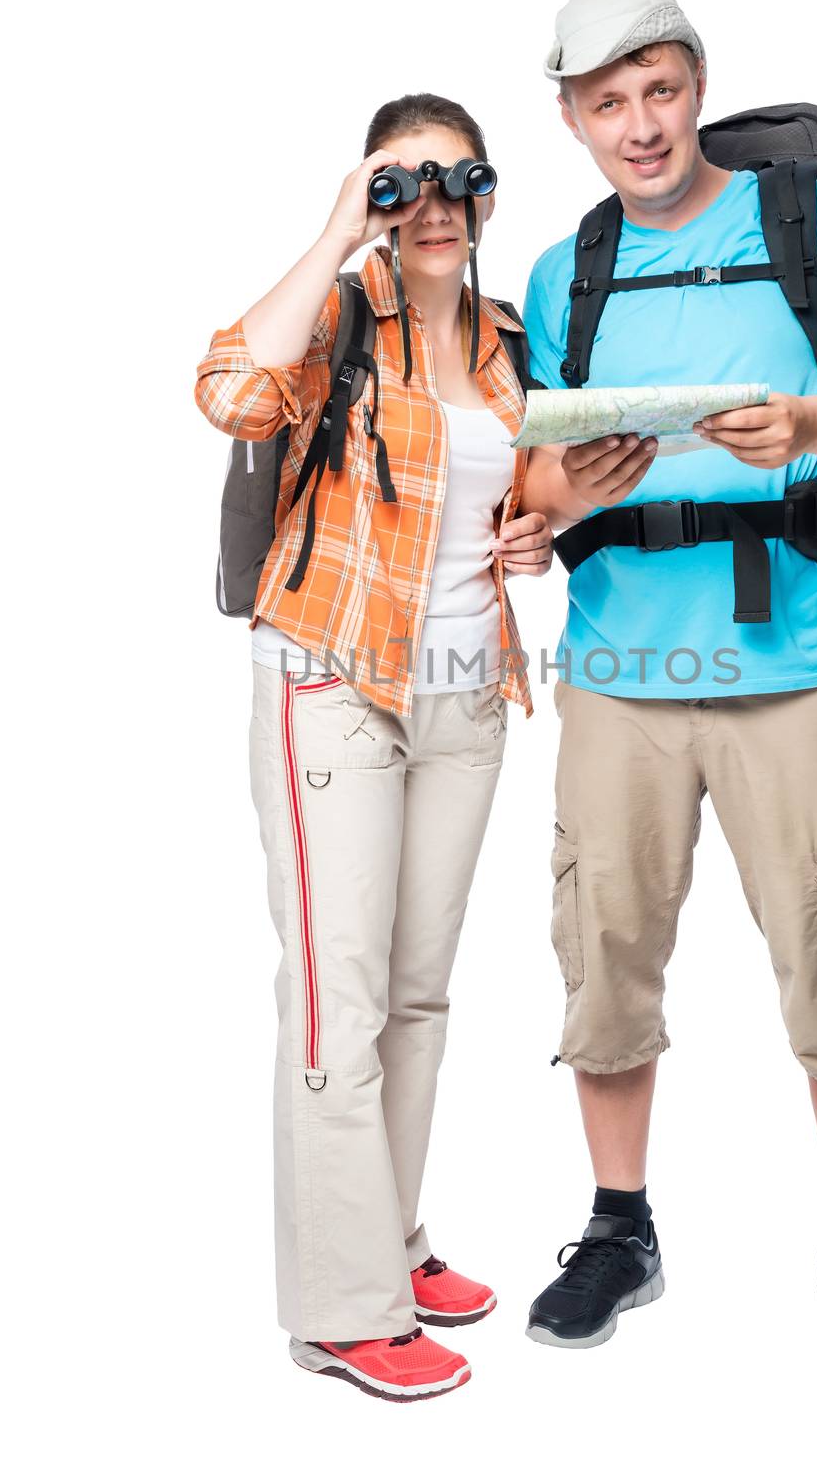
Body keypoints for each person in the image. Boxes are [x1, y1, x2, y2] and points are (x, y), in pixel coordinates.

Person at [518, 0, 817, 1375]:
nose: (640, 126)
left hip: (800, 663)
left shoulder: (814, 226)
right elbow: (532, 481)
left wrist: (809, 419)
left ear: (698, 83)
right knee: (605, 966)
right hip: (619, 675)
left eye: (660, 90)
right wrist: (567, 487)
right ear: (573, 117)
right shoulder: (563, 269)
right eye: (607, 103)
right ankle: (619, 1226)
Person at [193, 93, 552, 1401]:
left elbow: (526, 495)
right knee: (337, 1001)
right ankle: (345, 1309)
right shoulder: (347, 314)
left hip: (467, 698)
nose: (437, 202)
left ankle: (389, 1243)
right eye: (408, 183)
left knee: (417, 995)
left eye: (459, 178)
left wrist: (531, 534)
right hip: (331, 682)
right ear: (377, 199)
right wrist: (344, 221)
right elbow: (232, 390)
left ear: (490, 192)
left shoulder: (517, 345)